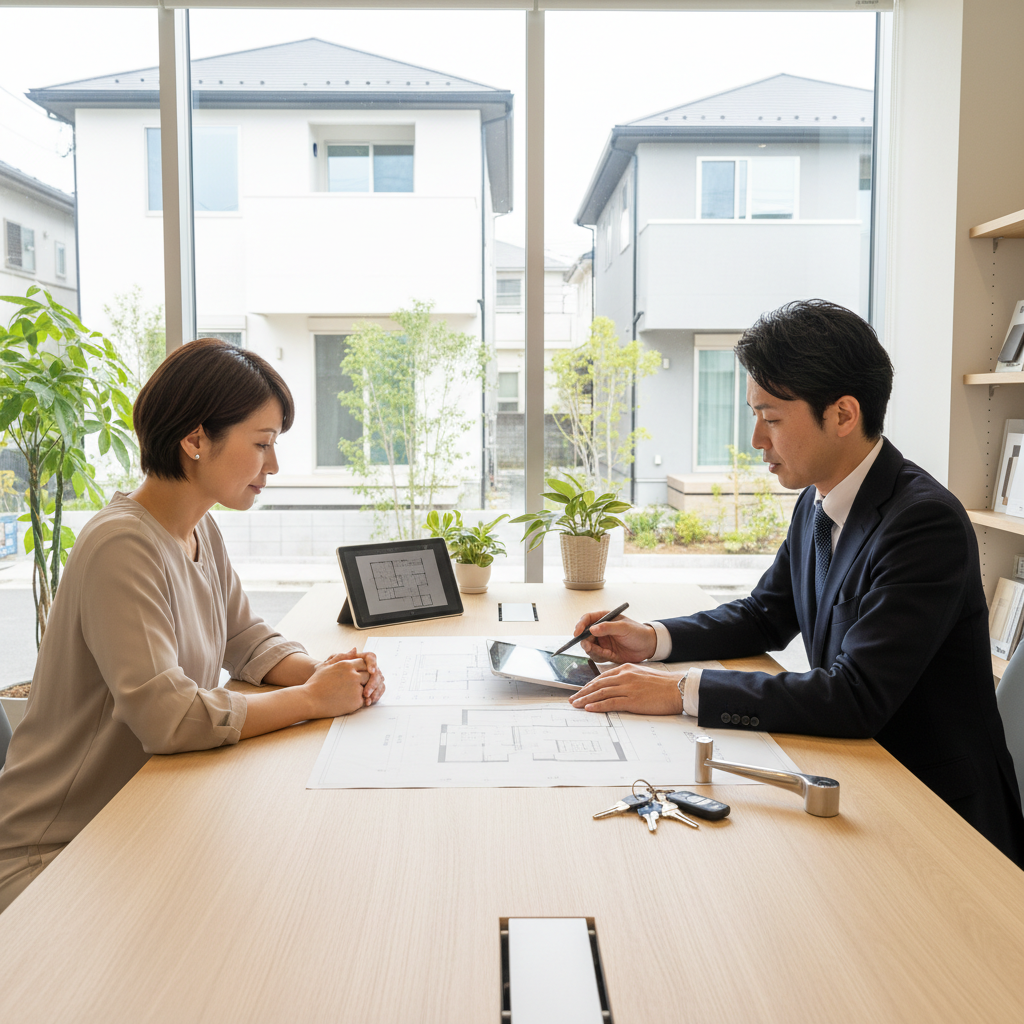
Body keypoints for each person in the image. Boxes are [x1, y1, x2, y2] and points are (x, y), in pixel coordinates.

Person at [568, 299, 1024, 865]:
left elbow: (856, 696)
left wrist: (680, 690)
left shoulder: (922, 523)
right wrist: (655, 638)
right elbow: (766, 614)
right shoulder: (818, 498)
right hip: (857, 780)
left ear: (843, 414)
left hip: (936, 816)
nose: (757, 439)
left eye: (773, 418)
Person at [0, 339, 385, 912]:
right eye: (262, 444)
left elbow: (245, 639)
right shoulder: (121, 545)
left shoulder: (198, 529)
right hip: (58, 849)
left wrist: (332, 674)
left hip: (132, 821)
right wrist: (311, 699)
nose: (273, 466)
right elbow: (169, 718)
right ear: (196, 439)